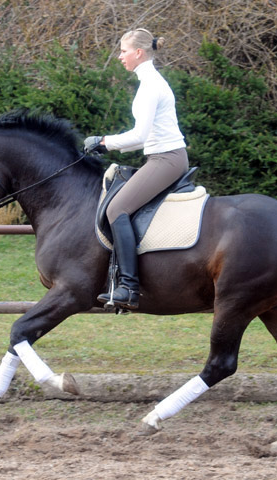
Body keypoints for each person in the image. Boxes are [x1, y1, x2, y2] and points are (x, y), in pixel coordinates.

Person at [85, 28, 189, 310]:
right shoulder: (150, 82)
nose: (120, 56)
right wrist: (108, 146)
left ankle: (128, 287)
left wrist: (104, 142)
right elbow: (142, 140)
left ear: (139, 53)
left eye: (124, 51)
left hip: (166, 159)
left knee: (116, 209)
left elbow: (139, 136)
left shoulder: (150, 87)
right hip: (160, 156)